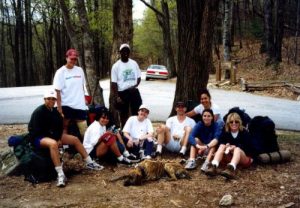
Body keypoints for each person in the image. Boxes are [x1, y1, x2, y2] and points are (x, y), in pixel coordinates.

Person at [28, 89, 103, 188]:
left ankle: (89, 162)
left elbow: (60, 127)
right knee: (53, 144)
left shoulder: (55, 111)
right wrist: (55, 139)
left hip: (53, 136)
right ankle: (60, 174)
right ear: (44, 99)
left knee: (75, 139)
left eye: (53, 99)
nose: (51, 101)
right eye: (48, 99)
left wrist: (58, 137)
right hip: (38, 137)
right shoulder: (39, 112)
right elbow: (36, 130)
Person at [53, 48, 88, 138]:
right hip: (66, 105)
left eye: (75, 59)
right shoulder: (60, 72)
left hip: (79, 105)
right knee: (65, 127)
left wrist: (84, 99)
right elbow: (57, 91)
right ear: (66, 58)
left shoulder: (80, 70)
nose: (73, 61)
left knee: (84, 129)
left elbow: (81, 86)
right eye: (71, 58)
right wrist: (59, 107)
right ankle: (64, 147)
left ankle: (86, 147)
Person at [205, 113, 253, 179]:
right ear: (228, 123)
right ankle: (214, 166)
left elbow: (248, 147)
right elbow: (221, 141)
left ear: (240, 122)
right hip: (229, 156)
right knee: (222, 145)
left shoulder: (244, 132)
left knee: (237, 149)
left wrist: (234, 147)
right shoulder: (225, 131)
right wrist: (227, 145)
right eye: (231, 122)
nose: (234, 123)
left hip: (243, 157)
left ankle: (231, 169)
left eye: (236, 121)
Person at [111, 43, 142, 128]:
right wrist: (117, 97)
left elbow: (139, 78)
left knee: (137, 111)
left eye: (127, 51)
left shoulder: (134, 63)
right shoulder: (116, 66)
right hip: (122, 92)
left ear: (129, 52)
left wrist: (134, 86)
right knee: (123, 114)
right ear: (120, 52)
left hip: (133, 91)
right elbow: (114, 83)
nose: (125, 53)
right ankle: (124, 131)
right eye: (123, 51)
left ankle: (137, 128)